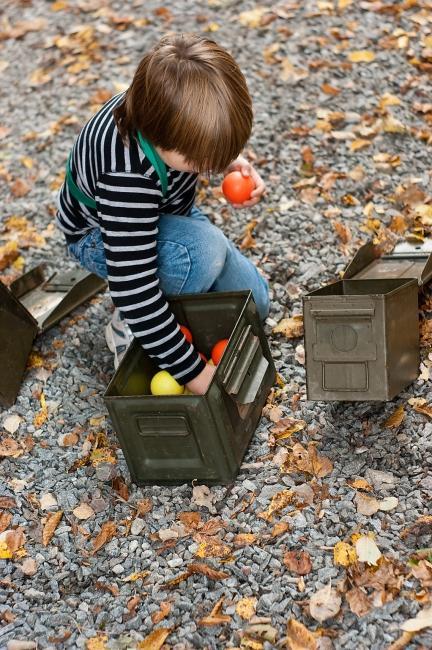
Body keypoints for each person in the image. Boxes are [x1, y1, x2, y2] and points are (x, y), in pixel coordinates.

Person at [56, 32, 269, 395]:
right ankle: (127, 326)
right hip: (99, 237)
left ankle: (171, 300)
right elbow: (134, 287)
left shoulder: (160, 105)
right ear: (161, 134)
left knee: (255, 304)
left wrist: (228, 158)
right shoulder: (126, 180)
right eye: (201, 159)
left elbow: (194, 143)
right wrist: (195, 374)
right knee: (202, 253)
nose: (208, 167)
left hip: (163, 211)